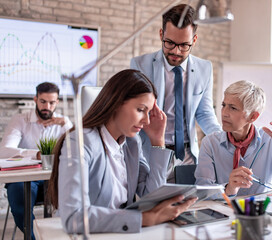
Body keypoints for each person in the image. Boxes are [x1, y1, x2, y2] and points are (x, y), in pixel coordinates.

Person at [48, 69, 197, 234]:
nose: (147, 120)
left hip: (118, 232)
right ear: (116, 103)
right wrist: (147, 219)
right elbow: (75, 217)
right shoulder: (81, 142)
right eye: (141, 110)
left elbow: (151, 196)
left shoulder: (132, 143)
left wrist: (157, 141)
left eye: (149, 112)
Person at [130, 4, 221, 182]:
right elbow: (135, 112)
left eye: (184, 45)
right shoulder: (140, 65)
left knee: (187, 207)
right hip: (151, 153)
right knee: (155, 206)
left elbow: (204, 112)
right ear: (161, 34)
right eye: (170, 43)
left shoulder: (205, 68)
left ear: (194, 40)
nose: (176, 51)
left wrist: (222, 139)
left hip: (187, 155)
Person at [195, 80, 272, 197]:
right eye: (224, 105)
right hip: (223, 212)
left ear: (253, 116)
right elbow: (203, 191)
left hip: (260, 211)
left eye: (233, 108)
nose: (224, 113)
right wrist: (229, 189)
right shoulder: (210, 143)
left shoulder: (270, 141)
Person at [0, 82, 73, 240]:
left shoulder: (63, 122)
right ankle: (36, 238)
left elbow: (78, 150)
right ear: (35, 99)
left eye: (52, 102)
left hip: (53, 179)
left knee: (76, 192)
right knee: (20, 199)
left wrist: (66, 125)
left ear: (57, 102)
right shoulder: (21, 120)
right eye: (43, 101)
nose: (47, 106)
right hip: (26, 179)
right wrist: (37, 154)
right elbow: (4, 150)